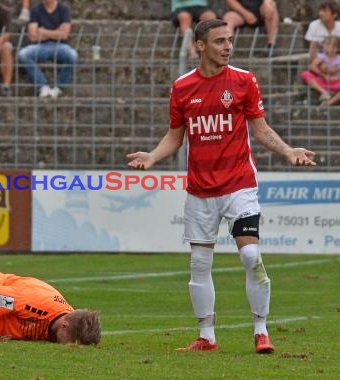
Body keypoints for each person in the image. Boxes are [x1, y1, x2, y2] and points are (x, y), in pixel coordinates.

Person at [126, 19, 316, 353]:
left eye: (229, 40)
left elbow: (260, 128)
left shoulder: (244, 81)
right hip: (200, 191)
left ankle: (261, 330)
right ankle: (207, 337)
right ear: (200, 46)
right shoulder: (183, 87)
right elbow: (175, 136)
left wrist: (288, 150)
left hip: (239, 184)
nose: (227, 47)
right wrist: (153, 157)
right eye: (219, 41)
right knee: (199, 264)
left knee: (250, 255)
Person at [17, 0, 78, 99]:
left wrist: (42, 31)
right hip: (41, 47)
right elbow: (32, 36)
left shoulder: (63, 9)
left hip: (60, 46)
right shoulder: (36, 9)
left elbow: (64, 35)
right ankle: (42, 86)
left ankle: (59, 88)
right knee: (23, 54)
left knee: (73, 55)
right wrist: (56, 32)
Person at [301, 36, 340, 106]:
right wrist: (324, 75)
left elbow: (334, 70)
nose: (324, 47)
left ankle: (329, 102)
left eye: (327, 45)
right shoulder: (322, 56)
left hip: (337, 82)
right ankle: (324, 92)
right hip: (324, 82)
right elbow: (312, 66)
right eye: (324, 44)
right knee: (305, 74)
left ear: (336, 48)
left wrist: (334, 78)